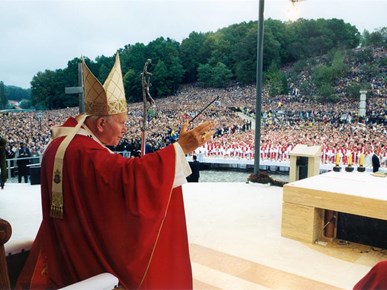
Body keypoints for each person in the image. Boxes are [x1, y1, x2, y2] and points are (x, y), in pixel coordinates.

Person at [16, 54, 215, 289]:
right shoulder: (86, 154)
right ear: (101, 124)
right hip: (87, 267)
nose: (124, 129)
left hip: (63, 252)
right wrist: (180, 149)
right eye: (120, 122)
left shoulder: (60, 144)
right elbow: (128, 180)